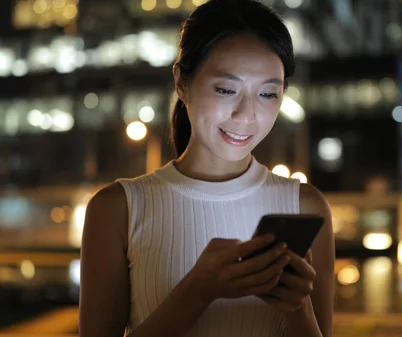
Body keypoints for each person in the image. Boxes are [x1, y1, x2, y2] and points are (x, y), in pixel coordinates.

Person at [78, 1, 334, 336]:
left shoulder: (306, 206)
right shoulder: (118, 209)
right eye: (226, 89)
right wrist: (198, 290)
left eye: (268, 94)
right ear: (182, 83)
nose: (247, 115)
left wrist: (296, 306)